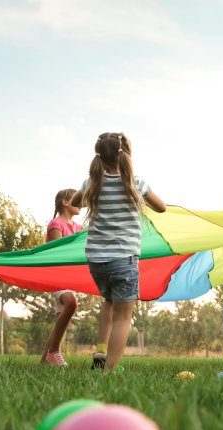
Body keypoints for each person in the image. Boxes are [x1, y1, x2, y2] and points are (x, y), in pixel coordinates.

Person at [71, 132, 166, 371]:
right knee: (124, 317)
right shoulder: (136, 183)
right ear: (126, 156)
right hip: (124, 258)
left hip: (96, 260)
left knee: (109, 300)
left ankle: (101, 349)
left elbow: (74, 201)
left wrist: (90, 190)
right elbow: (162, 207)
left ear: (99, 157)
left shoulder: (92, 183)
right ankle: (110, 370)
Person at [39, 188, 83, 366]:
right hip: (55, 275)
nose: (80, 202)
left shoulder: (79, 228)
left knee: (60, 320)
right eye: (76, 199)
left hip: (69, 278)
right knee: (71, 303)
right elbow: (57, 253)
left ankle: (44, 361)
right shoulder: (56, 224)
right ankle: (55, 351)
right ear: (65, 202)